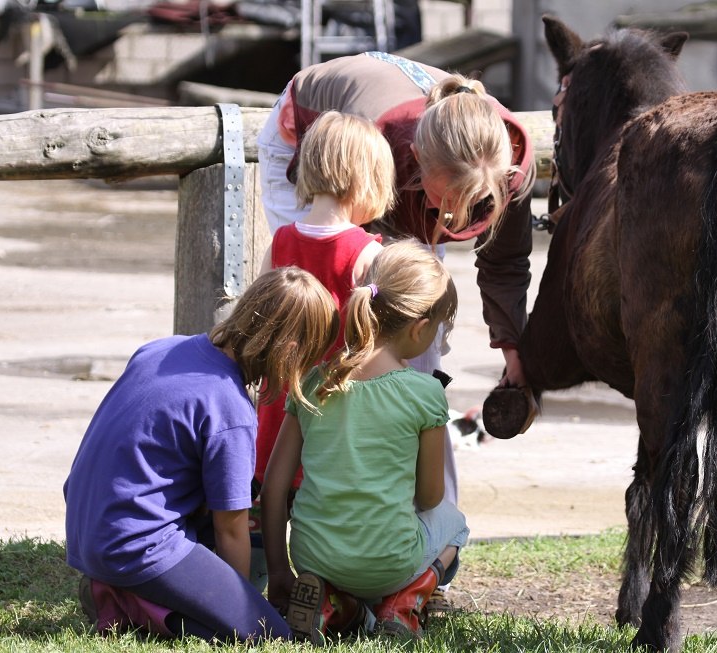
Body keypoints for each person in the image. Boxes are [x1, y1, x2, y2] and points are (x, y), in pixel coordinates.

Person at [64, 267, 339, 642]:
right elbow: (230, 529)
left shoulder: (161, 348)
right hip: (135, 543)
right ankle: (127, 602)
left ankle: (117, 587)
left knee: (239, 489)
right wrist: (239, 607)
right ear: (289, 353)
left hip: (88, 529)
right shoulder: (230, 408)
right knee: (266, 634)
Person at [257, 51, 536, 405]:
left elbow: (505, 261)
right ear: (418, 157)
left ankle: (418, 425)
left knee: (418, 317)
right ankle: (311, 428)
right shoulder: (378, 141)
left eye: (472, 200)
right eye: (445, 198)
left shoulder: (504, 158)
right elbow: (337, 255)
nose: (453, 214)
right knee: (325, 312)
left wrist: (513, 349)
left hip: (399, 166)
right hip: (313, 136)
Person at [260, 241, 470, 642]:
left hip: (311, 559)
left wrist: (278, 571)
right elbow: (429, 498)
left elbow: (273, 488)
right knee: (454, 525)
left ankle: (332, 604)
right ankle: (402, 602)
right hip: (388, 565)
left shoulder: (313, 382)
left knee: (337, 569)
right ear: (420, 328)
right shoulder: (425, 392)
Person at [249, 110, 394, 589]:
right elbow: (373, 345)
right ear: (368, 179)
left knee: (270, 492)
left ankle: (269, 577)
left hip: (277, 398)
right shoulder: (366, 254)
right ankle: (326, 585)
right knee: (325, 502)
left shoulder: (281, 240)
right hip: (331, 409)